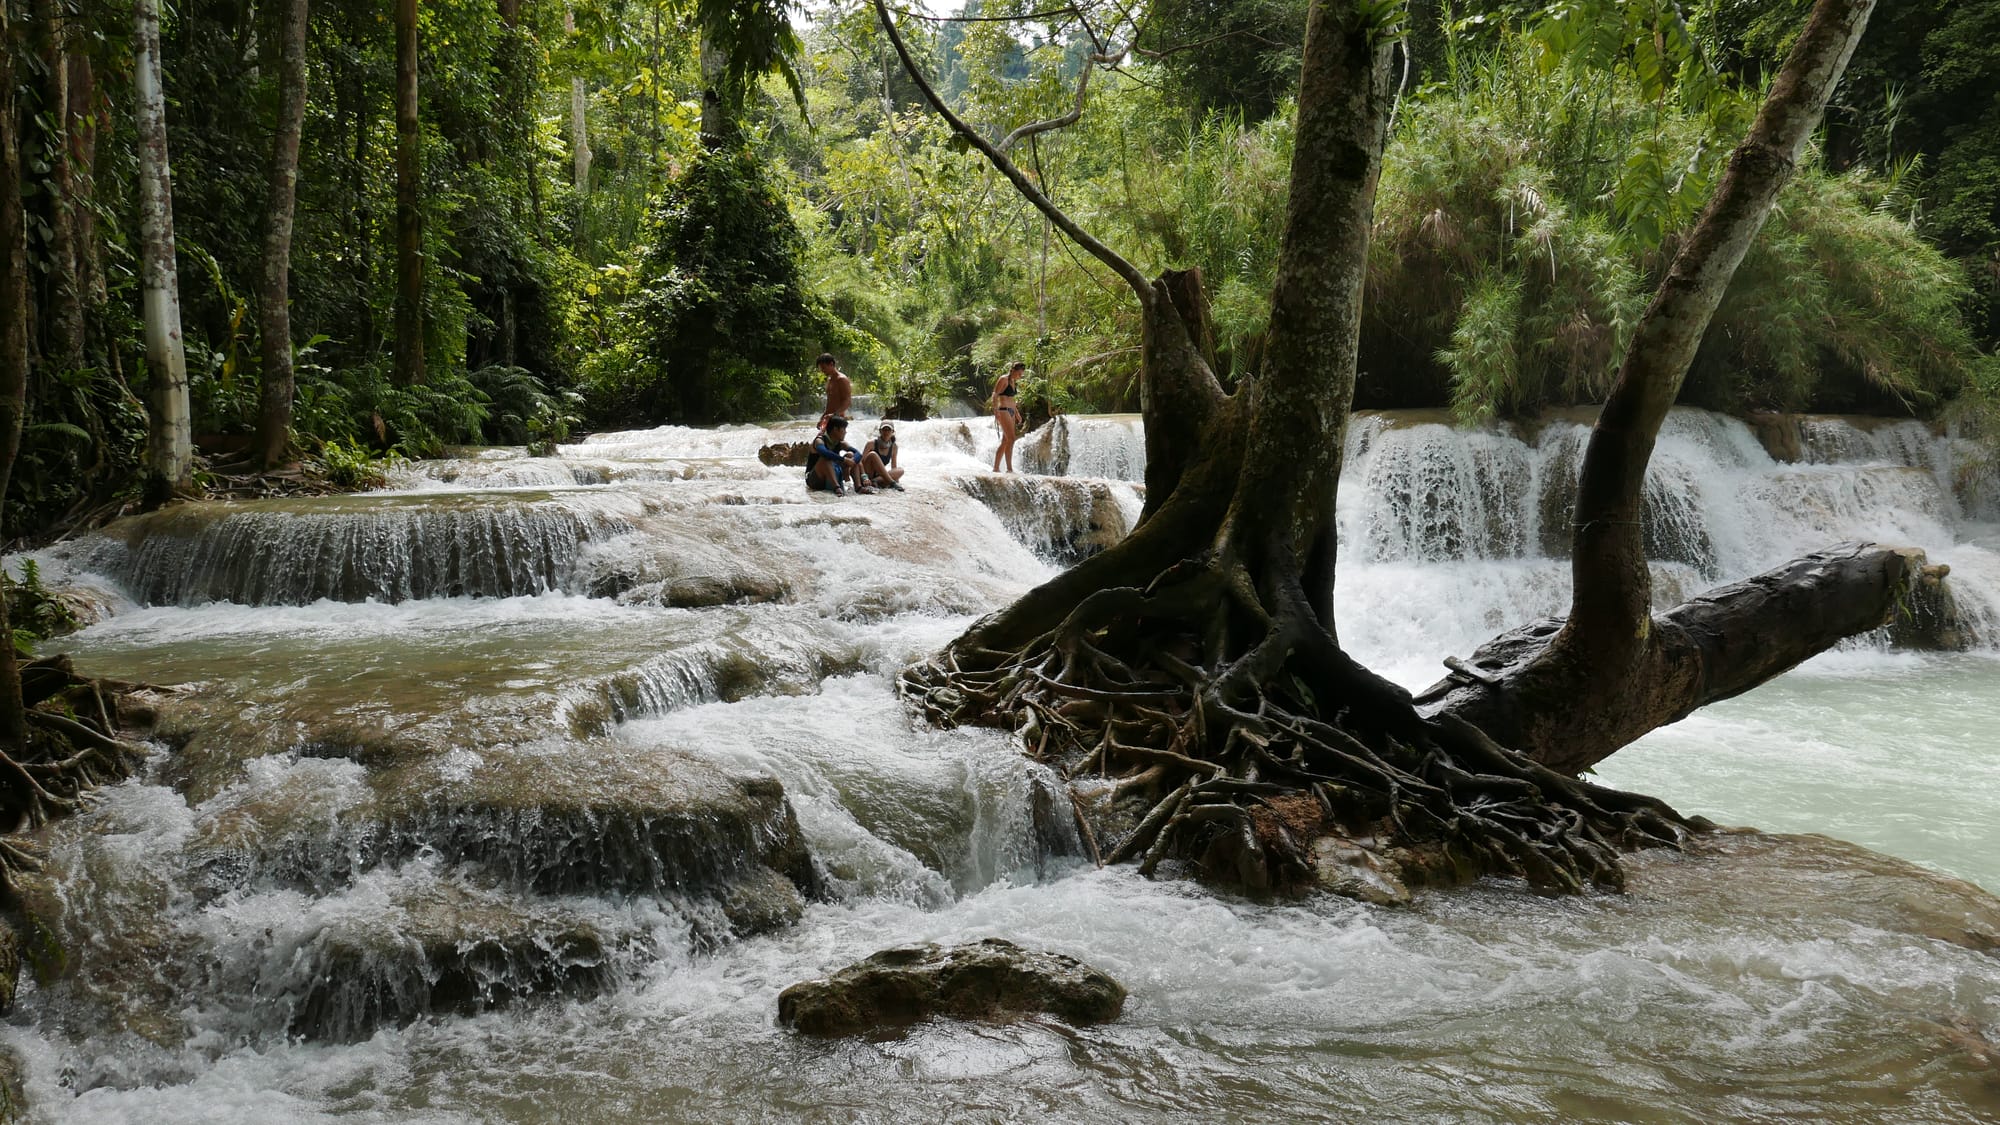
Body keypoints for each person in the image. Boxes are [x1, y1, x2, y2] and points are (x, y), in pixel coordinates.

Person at [806, 416, 873, 495]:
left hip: (832, 473)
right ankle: (837, 488)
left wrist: (852, 461)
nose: (845, 432)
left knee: (851, 455)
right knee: (825, 458)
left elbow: (858, 453)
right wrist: (844, 460)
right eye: (843, 429)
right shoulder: (819, 440)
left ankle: (858, 487)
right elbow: (824, 452)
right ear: (835, 429)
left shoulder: (841, 443)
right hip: (815, 479)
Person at [990, 361, 1026, 473]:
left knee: (1005, 441)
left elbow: (1012, 399)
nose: (1020, 376)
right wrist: (995, 410)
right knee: (1011, 438)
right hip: (1003, 410)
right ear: (1013, 370)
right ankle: (1009, 469)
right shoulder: (1004, 379)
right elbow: (995, 394)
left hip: (1011, 411)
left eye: (1021, 374)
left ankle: (996, 468)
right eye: (1019, 374)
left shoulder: (1013, 381)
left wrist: (1017, 413)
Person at [816, 354, 853, 431]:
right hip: (829, 419)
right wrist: (822, 418)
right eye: (821, 368)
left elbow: (847, 401)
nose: (822, 370)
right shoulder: (830, 380)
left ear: (831, 364)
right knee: (821, 441)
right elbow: (830, 403)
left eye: (823, 368)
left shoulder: (842, 379)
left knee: (826, 441)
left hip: (838, 421)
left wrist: (834, 415)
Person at [863, 422, 905, 490]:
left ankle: (876, 481)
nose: (886, 432)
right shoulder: (871, 443)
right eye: (884, 429)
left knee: (900, 470)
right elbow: (861, 463)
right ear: (880, 431)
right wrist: (864, 478)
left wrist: (896, 479)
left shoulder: (894, 447)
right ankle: (891, 483)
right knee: (873, 454)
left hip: (880, 476)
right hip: (868, 474)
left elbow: (893, 467)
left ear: (893, 432)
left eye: (889, 430)